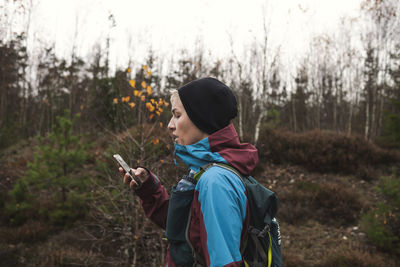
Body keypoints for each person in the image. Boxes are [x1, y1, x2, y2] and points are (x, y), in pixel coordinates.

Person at [119, 77, 258, 267]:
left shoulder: (215, 181)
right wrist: (150, 190)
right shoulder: (205, 169)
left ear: (201, 118)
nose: (170, 125)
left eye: (177, 115)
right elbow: (186, 230)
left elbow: (224, 262)